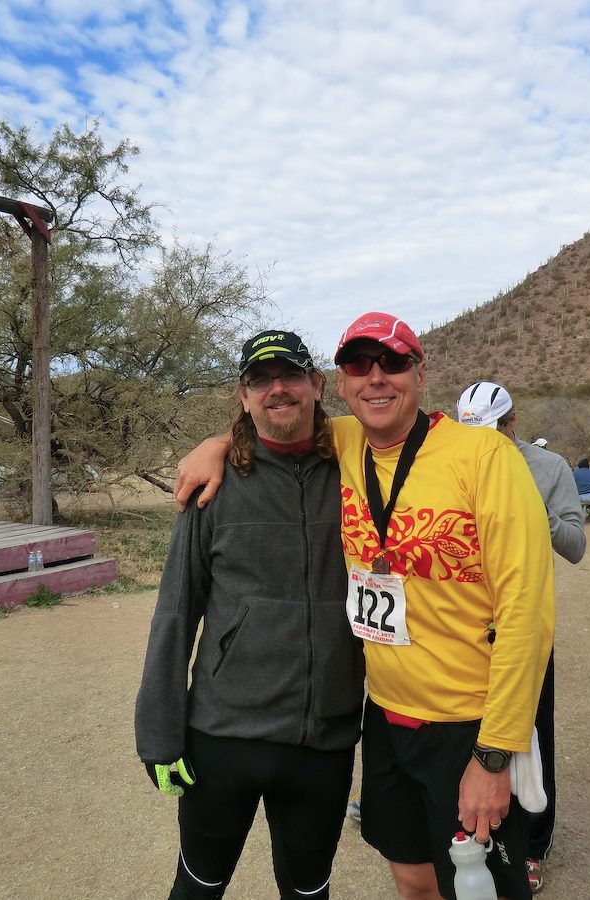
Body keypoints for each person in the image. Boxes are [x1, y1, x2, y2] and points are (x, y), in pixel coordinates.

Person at [176, 312, 556, 900]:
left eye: (394, 363)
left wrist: (494, 753)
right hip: (382, 716)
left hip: (466, 722)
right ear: (342, 383)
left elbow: (528, 615)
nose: (377, 378)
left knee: (481, 890)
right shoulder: (344, 443)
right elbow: (275, 421)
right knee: (413, 879)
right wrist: (216, 446)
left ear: (420, 372)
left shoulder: (483, 456)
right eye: (360, 364)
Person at [135, 330, 365, 899]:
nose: (277, 390)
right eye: (260, 380)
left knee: (309, 892)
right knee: (197, 888)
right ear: (243, 396)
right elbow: (176, 611)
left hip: (325, 739)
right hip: (223, 735)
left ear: (317, 385)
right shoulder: (213, 487)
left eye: (290, 376)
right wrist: (159, 735)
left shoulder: (360, 472)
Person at [456, 381, 586, 894]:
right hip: (460, 632)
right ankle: (470, 833)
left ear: (513, 424)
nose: (481, 444)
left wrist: (531, 506)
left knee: (531, 737)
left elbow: (575, 545)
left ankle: (533, 843)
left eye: (491, 433)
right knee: (463, 734)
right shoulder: (452, 457)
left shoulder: (547, 468)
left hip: (520, 628)